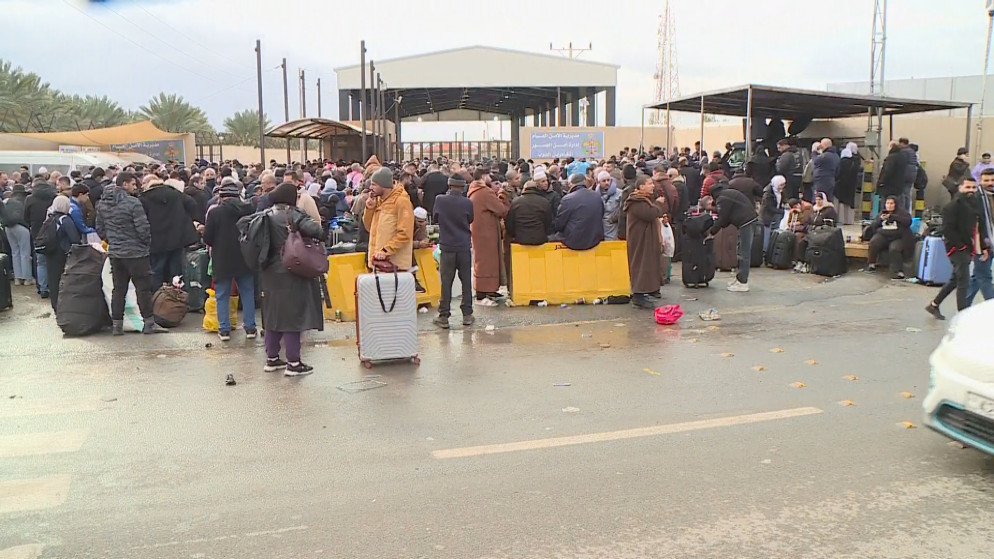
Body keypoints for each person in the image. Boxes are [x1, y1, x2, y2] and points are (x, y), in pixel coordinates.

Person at [259, 182, 325, 375]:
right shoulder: (293, 214)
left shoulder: (265, 215)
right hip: (291, 271)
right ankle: (294, 363)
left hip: (270, 273)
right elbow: (316, 231)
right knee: (292, 318)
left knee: (272, 316)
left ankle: (272, 359)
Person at [96, 171, 168, 335]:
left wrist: (113, 240)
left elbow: (100, 228)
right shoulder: (133, 203)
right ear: (124, 184)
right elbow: (143, 229)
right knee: (142, 288)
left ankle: (117, 325)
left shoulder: (103, 205)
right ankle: (149, 323)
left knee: (118, 289)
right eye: (133, 184)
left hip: (115, 253)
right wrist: (144, 243)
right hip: (136, 253)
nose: (136, 187)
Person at [926, 175, 986, 320]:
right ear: (960, 188)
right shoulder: (952, 206)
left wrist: (982, 246)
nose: (971, 190)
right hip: (957, 248)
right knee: (963, 282)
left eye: (973, 187)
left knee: (955, 279)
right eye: (967, 187)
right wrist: (960, 247)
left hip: (969, 246)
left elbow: (979, 227)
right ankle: (963, 316)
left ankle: (934, 305)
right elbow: (948, 230)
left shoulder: (975, 204)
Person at [203, 181, 257, 342]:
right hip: (245, 256)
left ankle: (224, 329)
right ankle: (250, 327)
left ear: (222, 196)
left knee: (222, 294)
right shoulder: (249, 210)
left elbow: (208, 238)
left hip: (223, 257)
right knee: (247, 292)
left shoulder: (215, 213)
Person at [139, 174, 199, 289]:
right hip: (177, 239)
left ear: (147, 185)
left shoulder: (144, 198)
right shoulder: (175, 193)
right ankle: (177, 299)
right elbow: (192, 204)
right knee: (176, 272)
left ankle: (157, 299)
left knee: (156, 271)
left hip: (156, 241)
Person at [431, 174, 475, 328]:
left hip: (447, 246)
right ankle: (467, 315)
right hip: (463, 246)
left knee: (446, 282)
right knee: (466, 282)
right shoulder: (468, 202)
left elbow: (435, 218)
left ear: (449, 185)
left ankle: (444, 316)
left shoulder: (440, 200)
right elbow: (470, 219)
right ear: (463, 187)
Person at [703, 183, 759, 292]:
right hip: (747, 220)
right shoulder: (727, 194)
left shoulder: (722, 199)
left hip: (745, 222)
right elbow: (726, 217)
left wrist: (712, 232)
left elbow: (722, 218)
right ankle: (739, 278)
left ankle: (743, 283)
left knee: (744, 253)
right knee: (741, 252)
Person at [467, 167, 510, 305]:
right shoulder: (484, 192)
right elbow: (501, 209)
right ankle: (482, 293)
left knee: (483, 260)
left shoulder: (473, 191)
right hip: (487, 232)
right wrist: (503, 199)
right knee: (487, 261)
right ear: (484, 176)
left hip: (479, 231)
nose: (491, 179)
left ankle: (488, 290)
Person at [623, 174, 666, 309]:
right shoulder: (636, 202)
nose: (652, 186)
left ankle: (648, 290)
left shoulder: (644, 200)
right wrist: (659, 204)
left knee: (647, 264)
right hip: (639, 240)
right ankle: (638, 294)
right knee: (640, 265)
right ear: (641, 186)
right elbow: (651, 214)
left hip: (646, 238)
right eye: (649, 183)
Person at [363, 167, 415, 273]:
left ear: (384, 186)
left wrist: (386, 251)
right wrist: (369, 208)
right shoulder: (378, 200)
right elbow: (369, 228)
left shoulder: (401, 201)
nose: (370, 187)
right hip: (378, 264)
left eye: (374, 184)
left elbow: (405, 233)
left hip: (395, 266)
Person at [45, 195, 81, 311]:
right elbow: (74, 239)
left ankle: (55, 304)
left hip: (50, 253)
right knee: (65, 280)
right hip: (63, 253)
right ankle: (65, 305)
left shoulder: (49, 218)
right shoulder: (65, 220)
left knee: (53, 280)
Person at [865, 196, 914, 279]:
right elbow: (873, 226)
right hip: (884, 234)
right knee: (874, 242)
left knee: (894, 248)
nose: (889, 205)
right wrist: (880, 219)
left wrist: (894, 217)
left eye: (891, 203)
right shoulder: (882, 213)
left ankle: (897, 271)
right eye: (887, 203)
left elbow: (908, 222)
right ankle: (871, 264)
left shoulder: (902, 213)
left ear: (895, 204)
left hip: (898, 236)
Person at [554, 173, 604, 251]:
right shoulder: (597, 196)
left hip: (573, 241)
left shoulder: (567, 199)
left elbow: (559, 224)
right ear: (584, 182)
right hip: (595, 239)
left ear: (571, 184)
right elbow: (601, 215)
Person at [24, 178, 57, 297]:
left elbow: (26, 217)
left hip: (37, 232)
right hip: (52, 231)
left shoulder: (30, 199)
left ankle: (43, 288)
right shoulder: (53, 197)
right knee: (52, 261)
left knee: (40, 262)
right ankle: (53, 286)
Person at [967, 167, 994, 303]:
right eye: (986, 180)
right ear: (980, 181)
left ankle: (963, 305)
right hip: (982, 243)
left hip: (992, 241)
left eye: (992, 180)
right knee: (984, 277)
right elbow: (977, 225)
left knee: (977, 277)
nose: (990, 183)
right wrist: (982, 245)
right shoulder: (976, 198)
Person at [506, 180, 552, 245]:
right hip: (539, 239)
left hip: (520, 239)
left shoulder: (516, 202)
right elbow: (548, 222)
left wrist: (514, 235)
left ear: (524, 189)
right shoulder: (544, 202)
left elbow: (510, 223)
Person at [2, 183, 32, 286]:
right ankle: (27, 278)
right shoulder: (24, 200)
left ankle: (17, 278)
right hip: (21, 226)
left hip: (8, 227)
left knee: (15, 252)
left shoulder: (8, 201)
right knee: (25, 253)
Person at [836, 142, 862, 225]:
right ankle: (850, 220)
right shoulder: (857, 159)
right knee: (850, 201)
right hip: (853, 182)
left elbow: (839, 173)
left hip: (842, 183)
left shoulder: (843, 161)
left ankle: (842, 219)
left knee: (842, 201)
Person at [760, 175, 787, 251]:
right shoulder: (768, 193)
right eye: (781, 185)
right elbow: (768, 206)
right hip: (767, 216)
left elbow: (783, 199)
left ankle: (772, 250)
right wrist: (781, 211)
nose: (782, 186)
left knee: (775, 233)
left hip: (777, 215)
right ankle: (765, 251)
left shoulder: (780, 191)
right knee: (767, 235)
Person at [597, 171, 622, 241]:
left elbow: (623, 210)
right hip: (601, 228)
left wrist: (615, 218)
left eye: (608, 180)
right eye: (604, 181)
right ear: (599, 182)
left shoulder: (620, 194)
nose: (607, 183)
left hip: (614, 228)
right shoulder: (595, 195)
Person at [812, 138, 840, 202]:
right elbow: (838, 171)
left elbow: (815, 161)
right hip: (831, 180)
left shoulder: (826, 156)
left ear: (824, 145)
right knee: (828, 200)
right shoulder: (836, 156)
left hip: (821, 182)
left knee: (819, 200)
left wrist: (814, 152)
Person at [616, 164, 639, 241]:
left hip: (629, 228)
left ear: (623, 176)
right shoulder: (640, 185)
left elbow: (623, 213)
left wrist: (621, 234)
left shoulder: (627, 191)